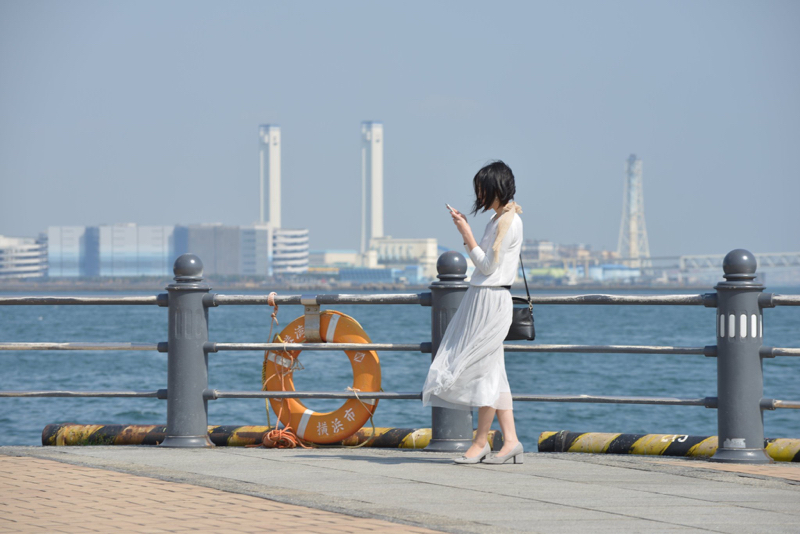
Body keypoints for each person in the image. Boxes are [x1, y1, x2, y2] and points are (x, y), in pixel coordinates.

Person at [422, 160, 524, 465]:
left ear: (496, 187)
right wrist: (468, 231)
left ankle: (481, 442)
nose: (478, 193)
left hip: (491, 302)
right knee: (493, 372)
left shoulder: (509, 222)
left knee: (483, 371)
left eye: (482, 188)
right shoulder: (497, 220)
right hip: (483, 299)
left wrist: (465, 232)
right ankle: (511, 441)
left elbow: (487, 267)